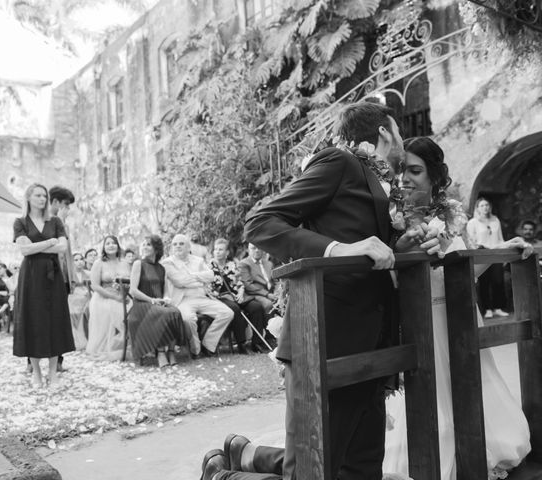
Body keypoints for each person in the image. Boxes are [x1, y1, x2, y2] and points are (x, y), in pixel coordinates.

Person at [201, 102, 440, 479]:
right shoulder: (340, 162)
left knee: (360, 470)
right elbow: (261, 223)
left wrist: (402, 246)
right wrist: (336, 250)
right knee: (312, 470)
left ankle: (242, 456)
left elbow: (370, 250)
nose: (401, 140)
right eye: (398, 131)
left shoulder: (381, 181)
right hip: (327, 339)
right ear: (382, 132)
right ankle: (223, 476)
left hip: (370, 344)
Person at [382, 137, 531, 479]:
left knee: (471, 390)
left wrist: (502, 249)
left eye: (415, 170)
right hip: (421, 321)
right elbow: (386, 282)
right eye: (401, 169)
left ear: (434, 176)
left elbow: (466, 275)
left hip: (458, 315)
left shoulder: (451, 213)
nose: (405, 177)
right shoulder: (388, 218)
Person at [13, 183, 75, 388]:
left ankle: (54, 373)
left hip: (53, 276)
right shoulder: (20, 222)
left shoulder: (55, 221)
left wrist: (37, 246)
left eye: (44, 195)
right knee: (32, 321)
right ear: (28, 197)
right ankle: (36, 373)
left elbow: (63, 247)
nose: (42, 199)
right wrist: (49, 242)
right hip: (30, 277)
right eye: (38, 195)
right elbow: (24, 251)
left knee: (54, 321)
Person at [162, 234, 234, 358]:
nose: (178, 246)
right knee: (188, 319)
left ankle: (208, 344)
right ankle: (196, 349)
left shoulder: (198, 260)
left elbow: (211, 276)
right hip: (182, 300)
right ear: (171, 247)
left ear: (188, 246)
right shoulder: (168, 263)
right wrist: (200, 278)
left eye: (181, 243)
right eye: (175, 244)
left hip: (201, 297)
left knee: (227, 313)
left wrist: (192, 276)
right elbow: (179, 281)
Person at [128, 235, 188, 366]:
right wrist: (152, 300)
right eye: (143, 244)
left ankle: (171, 352)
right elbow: (133, 291)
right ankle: (161, 353)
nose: (144, 246)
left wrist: (165, 299)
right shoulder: (138, 264)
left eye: (148, 244)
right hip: (142, 305)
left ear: (156, 249)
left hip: (158, 303)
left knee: (175, 312)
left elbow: (165, 289)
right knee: (164, 314)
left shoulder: (161, 268)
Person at [210, 238, 267, 355]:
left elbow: (240, 283)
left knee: (256, 307)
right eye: (216, 249)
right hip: (220, 298)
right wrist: (223, 296)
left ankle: (257, 343)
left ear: (227, 253)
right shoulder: (209, 267)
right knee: (235, 309)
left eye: (221, 250)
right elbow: (208, 289)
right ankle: (241, 344)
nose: (217, 252)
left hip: (236, 296)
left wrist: (240, 294)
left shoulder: (232, 265)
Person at [86, 235, 131, 360]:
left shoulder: (125, 263)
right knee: (109, 310)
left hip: (123, 296)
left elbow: (130, 282)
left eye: (113, 243)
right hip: (103, 297)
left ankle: (125, 345)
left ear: (118, 245)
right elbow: (95, 286)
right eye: (108, 243)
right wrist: (114, 297)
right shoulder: (99, 263)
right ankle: (108, 347)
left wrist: (124, 293)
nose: (111, 245)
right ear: (104, 248)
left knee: (133, 311)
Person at [466, 198, 509, 318]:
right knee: (484, 282)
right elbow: (470, 241)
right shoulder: (473, 222)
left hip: (496, 253)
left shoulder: (495, 220)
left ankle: (498, 307)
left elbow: (500, 238)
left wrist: (504, 253)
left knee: (498, 281)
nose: (485, 207)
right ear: (477, 208)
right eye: (482, 205)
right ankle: (488, 309)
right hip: (482, 254)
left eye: (486, 205)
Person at [48, 185, 76, 372]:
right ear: (56, 202)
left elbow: (68, 254)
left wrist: (71, 279)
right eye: (66, 204)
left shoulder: (63, 224)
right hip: (48, 275)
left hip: (63, 278)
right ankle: (31, 360)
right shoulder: (45, 222)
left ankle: (58, 360)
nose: (68, 209)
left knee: (59, 320)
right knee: (43, 318)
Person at [68, 253, 90, 350]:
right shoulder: (69, 275)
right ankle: (75, 341)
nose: (79, 262)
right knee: (73, 319)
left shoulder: (88, 273)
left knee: (84, 318)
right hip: (73, 299)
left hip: (86, 298)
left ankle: (86, 340)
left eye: (81, 259)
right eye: (76, 260)